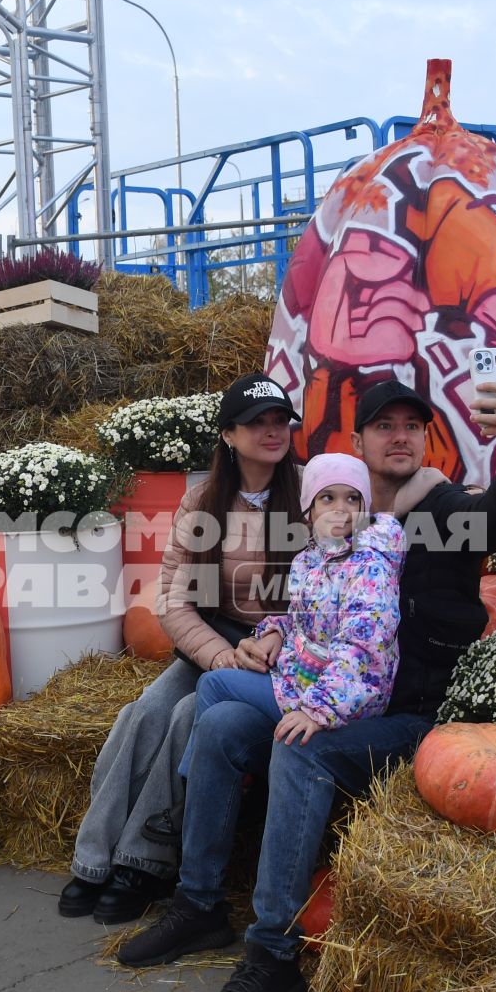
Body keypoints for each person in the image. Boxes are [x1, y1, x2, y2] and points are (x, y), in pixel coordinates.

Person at [117, 376, 496, 992]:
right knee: (222, 721)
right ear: (358, 442)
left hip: (405, 715)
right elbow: (307, 613)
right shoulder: (331, 522)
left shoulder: (443, 510)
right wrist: (271, 635)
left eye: (413, 425)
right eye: (385, 425)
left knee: (302, 751)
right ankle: (198, 901)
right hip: (325, 695)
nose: (400, 435)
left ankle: (273, 949)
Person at [58, 373, 306, 924]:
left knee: (190, 716)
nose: (271, 431)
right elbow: (174, 598)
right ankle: (93, 859)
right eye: (256, 422)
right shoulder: (202, 502)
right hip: (216, 640)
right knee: (142, 713)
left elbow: (327, 587)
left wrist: (268, 641)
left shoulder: (313, 495)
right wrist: (219, 655)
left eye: (279, 420)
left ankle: (142, 863)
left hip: (284, 650)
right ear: (228, 435)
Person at [180, 452, 403, 767]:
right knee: (221, 714)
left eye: (352, 498)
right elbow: (306, 620)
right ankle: (230, 772)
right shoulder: (309, 559)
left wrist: (317, 710)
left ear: (364, 509)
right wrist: (275, 631)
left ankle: (197, 777)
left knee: (215, 683)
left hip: (348, 696)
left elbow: (361, 650)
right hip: (308, 678)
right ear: (309, 510)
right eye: (327, 498)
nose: (340, 509)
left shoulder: (369, 566)